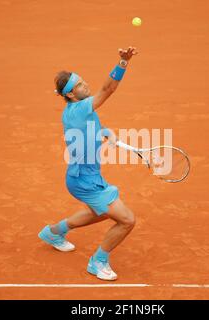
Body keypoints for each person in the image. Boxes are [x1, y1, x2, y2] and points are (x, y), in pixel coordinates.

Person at [38, 46, 139, 281]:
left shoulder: (73, 111)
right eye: (80, 85)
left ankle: (54, 232)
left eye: (84, 81)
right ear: (71, 95)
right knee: (126, 220)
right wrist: (123, 62)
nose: (86, 86)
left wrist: (105, 131)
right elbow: (108, 88)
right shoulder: (83, 107)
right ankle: (98, 261)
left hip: (82, 177)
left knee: (101, 213)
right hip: (85, 181)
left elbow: (87, 127)